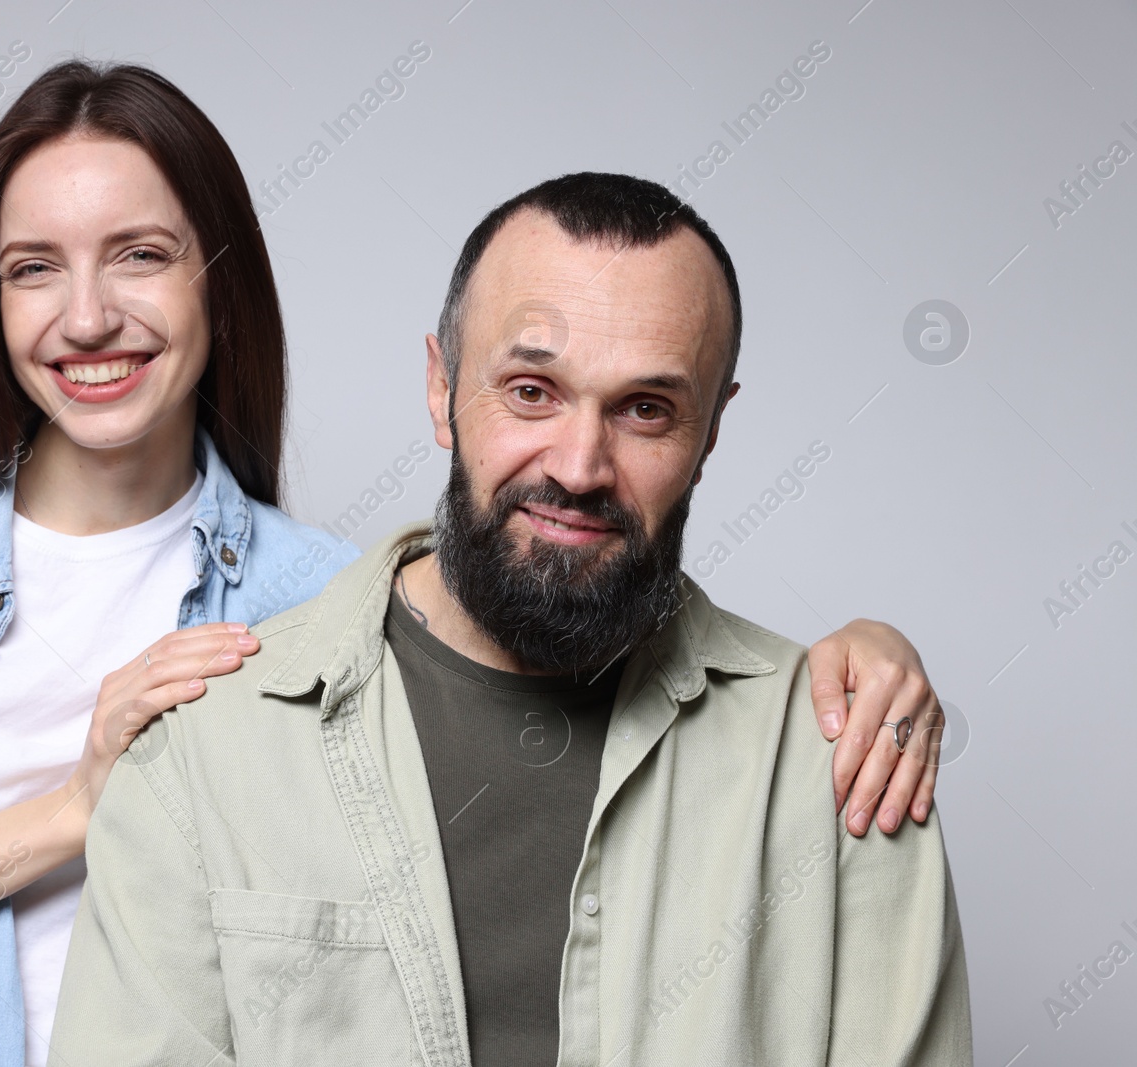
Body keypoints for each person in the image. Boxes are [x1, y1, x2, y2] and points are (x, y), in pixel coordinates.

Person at [0, 61, 947, 1067]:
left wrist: (849, 656)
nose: (87, 313)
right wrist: (70, 811)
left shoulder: (318, 605)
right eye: (33, 267)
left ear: (221, 283)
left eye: (142, 255)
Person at [49, 172, 970, 1065]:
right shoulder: (203, 753)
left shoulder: (842, 759)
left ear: (712, 431)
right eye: (531, 390)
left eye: (646, 410)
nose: (578, 464)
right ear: (441, 386)